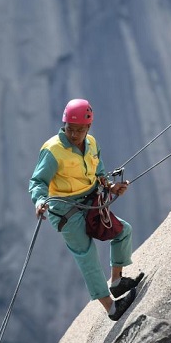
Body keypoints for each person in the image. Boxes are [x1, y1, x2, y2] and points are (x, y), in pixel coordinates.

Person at [29, 98, 143, 321]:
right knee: (87, 255)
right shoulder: (53, 150)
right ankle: (111, 308)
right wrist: (39, 201)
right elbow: (37, 182)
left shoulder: (91, 143)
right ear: (64, 125)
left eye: (79, 130)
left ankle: (118, 282)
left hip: (90, 201)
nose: (74, 134)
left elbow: (99, 171)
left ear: (88, 127)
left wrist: (111, 187)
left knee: (123, 231)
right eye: (70, 129)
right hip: (64, 210)